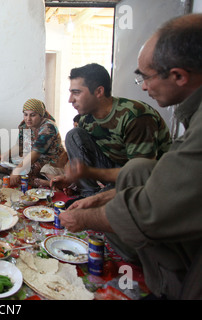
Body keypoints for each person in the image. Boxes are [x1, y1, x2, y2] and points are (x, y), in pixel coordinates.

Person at [59, 13, 202, 300]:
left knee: (132, 176)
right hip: (121, 178)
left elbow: (148, 187)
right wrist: (79, 182)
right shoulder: (85, 119)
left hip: (148, 190)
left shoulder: (136, 117)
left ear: (178, 76)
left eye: (145, 77)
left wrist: (89, 215)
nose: (144, 86)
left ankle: (159, 276)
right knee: (79, 140)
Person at [52, 63, 171, 198]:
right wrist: (70, 178)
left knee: (84, 208)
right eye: (25, 114)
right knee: (74, 135)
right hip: (115, 167)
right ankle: (88, 194)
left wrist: (92, 181)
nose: (70, 100)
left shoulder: (135, 116)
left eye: (76, 92)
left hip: (148, 180)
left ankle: (93, 198)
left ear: (99, 92)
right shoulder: (85, 118)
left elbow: (140, 175)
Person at [0, 98, 67, 187]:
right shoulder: (25, 126)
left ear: (41, 115)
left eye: (33, 115)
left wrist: (18, 170)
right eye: (25, 115)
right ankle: (14, 174)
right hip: (30, 157)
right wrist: (6, 154)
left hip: (49, 160)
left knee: (26, 170)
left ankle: (48, 183)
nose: (28, 119)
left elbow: (36, 153)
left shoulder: (48, 127)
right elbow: (20, 146)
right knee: (5, 161)